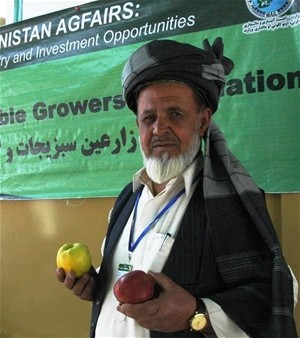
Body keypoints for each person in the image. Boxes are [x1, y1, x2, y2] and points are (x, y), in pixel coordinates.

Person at [56, 37, 298, 338]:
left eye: (175, 114)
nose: (159, 129)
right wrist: (95, 286)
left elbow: (278, 291)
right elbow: (122, 272)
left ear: (203, 121)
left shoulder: (228, 200)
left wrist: (198, 313)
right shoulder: (127, 199)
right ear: (138, 127)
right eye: (149, 118)